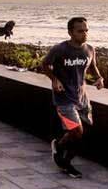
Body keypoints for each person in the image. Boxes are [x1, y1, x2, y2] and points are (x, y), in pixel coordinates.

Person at [42, 17, 104, 178]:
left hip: (82, 99)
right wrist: (55, 80)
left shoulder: (90, 49)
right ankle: (66, 163)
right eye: (80, 31)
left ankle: (59, 146)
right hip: (64, 100)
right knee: (77, 132)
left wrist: (99, 78)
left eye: (86, 30)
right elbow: (45, 65)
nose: (84, 34)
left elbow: (92, 66)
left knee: (82, 131)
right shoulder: (60, 49)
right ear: (70, 32)